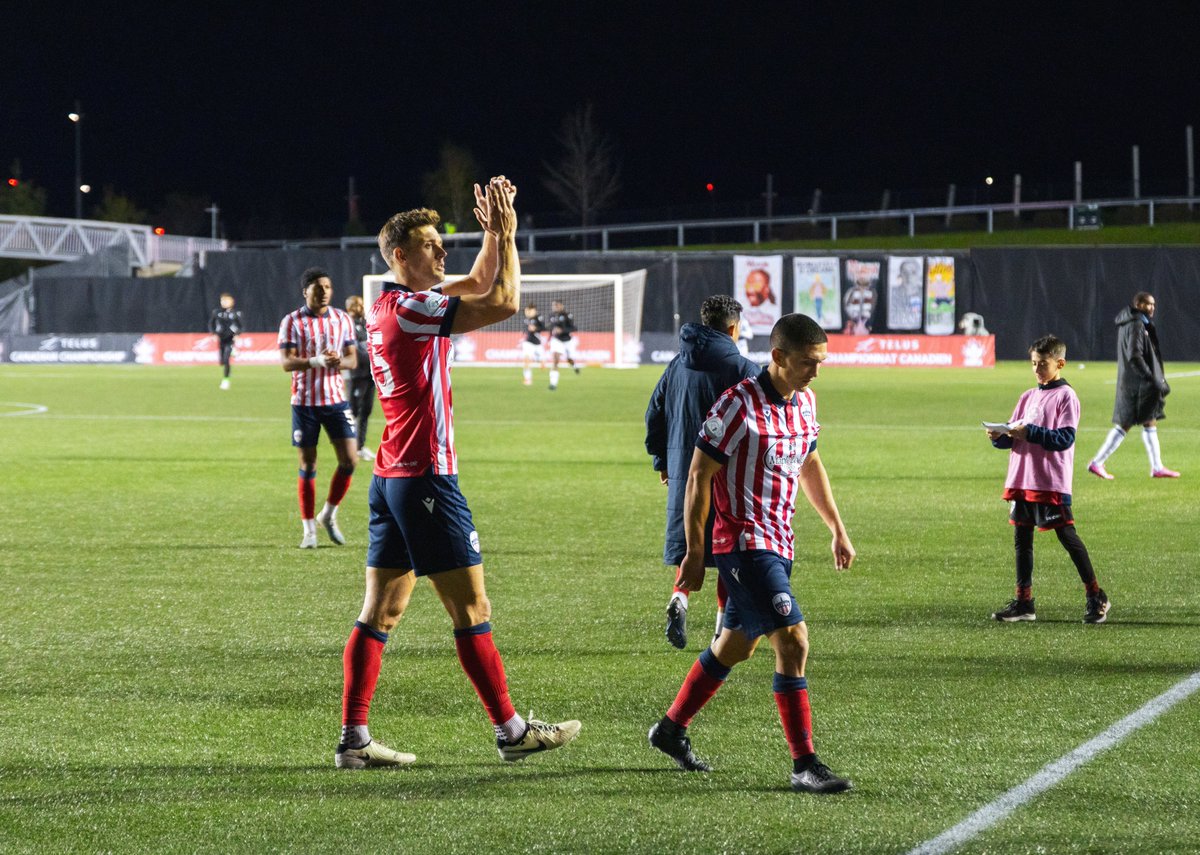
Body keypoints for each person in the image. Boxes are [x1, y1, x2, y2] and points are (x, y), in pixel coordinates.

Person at [335, 177, 580, 770]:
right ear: (400, 256)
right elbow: (501, 302)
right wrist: (510, 237)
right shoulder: (414, 308)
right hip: (425, 478)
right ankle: (511, 730)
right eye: (429, 243)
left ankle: (354, 740)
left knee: (381, 612)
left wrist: (494, 233)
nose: (442, 250)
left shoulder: (391, 302)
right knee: (472, 609)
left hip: (393, 476)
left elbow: (474, 281)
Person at [648, 313, 857, 795]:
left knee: (737, 645)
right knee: (794, 640)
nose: (816, 372)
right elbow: (699, 476)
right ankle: (804, 764)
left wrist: (837, 528)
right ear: (779, 357)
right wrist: (696, 552)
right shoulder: (736, 406)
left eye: (821, 362)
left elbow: (809, 463)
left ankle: (670, 729)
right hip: (743, 544)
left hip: (780, 543)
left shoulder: (805, 403)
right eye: (808, 362)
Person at [645, 295, 759, 650]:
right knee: (728, 548)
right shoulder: (743, 369)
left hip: (683, 468)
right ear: (732, 328)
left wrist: (662, 460)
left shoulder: (678, 363)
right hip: (728, 474)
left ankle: (679, 599)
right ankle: (720, 628)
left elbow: (655, 412)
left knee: (689, 540)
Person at [986, 335, 1110, 624]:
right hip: (1022, 478)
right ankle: (1024, 602)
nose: (1037, 369)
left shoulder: (1066, 397)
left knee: (1067, 536)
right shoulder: (1028, 396)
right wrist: (998, 437)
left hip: (1051, 482)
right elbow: (1013, 437)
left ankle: (1096, 596)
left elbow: (1065, 439)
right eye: (1033, 363)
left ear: (1060, 363)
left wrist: (1029, 433)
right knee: (1021, 539)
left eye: (1043, 364)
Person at [278, 268, 359, 549]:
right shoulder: (292, 322)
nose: (323, 291)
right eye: (317, 287)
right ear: (306, 292)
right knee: (308, 463)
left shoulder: (342, 319)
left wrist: (338, 361)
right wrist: (316, 362)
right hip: (305, 403)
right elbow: (286, 362)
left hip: (336, 400)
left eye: (327, 286)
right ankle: (309, 530)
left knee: (350, 460)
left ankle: (328, 514)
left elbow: (352, 360)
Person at [1088, 292, 1179, 479]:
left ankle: (1157, 467)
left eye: (1153, 304)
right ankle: (1097, 462)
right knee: (1125, 424)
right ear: (1138, 304)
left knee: (1149, 419)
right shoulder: (1137, 324)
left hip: (1133, 382)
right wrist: (1150, 378)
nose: (1152, 307)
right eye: (1147, 304)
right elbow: (1134, 355)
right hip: (1137, 385)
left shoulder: (1131, 322)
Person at [344, 295, 376, 461]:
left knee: (366, 411)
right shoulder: (346, 325)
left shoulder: (366, 323)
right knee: (353, 411)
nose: (361, 307)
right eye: (357, 305)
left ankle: (360, 446)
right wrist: (373, 355)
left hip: (370, 374)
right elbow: (356, 351)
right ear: (349, 308)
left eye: (362, 304)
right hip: (355, 375)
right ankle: (348, 446)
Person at [208, 293, 243, 390]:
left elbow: (241, 326)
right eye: (222, 301)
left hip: (230, 338)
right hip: (221, 338)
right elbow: (211, 323)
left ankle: (226, 381)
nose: (224, 303)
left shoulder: (236, 313)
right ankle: (231, 352)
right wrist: (214, 333)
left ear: (232, 302)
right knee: (222, 362)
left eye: (226, 301)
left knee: (227, 360)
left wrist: (237, 334)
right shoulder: (217, 312)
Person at [547, 299, 580, 389]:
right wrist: (549, 338)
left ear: (561, 306)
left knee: (569, 359)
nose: (555, 307)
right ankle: (553, 383)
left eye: (557, 305)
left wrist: (562, 330)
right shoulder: (551, 316)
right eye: (553, 305)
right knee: (555, 360)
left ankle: (574, 366)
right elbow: (551, 328)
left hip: (568, 341)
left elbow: (574, 328)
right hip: (557, 341)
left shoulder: (567, 315)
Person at [520, 303, 546, 386]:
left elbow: (544, 328)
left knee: (541, 362)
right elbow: (526, 330)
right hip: (528, 343)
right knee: (526, 360)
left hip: (537, 343)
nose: (527, 312)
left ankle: (542, 362)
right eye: (527, 311)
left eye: (529, 311)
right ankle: (528, 379)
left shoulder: (539, 318)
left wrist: (536, 328)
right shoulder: (526, 319)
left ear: (534, 311)